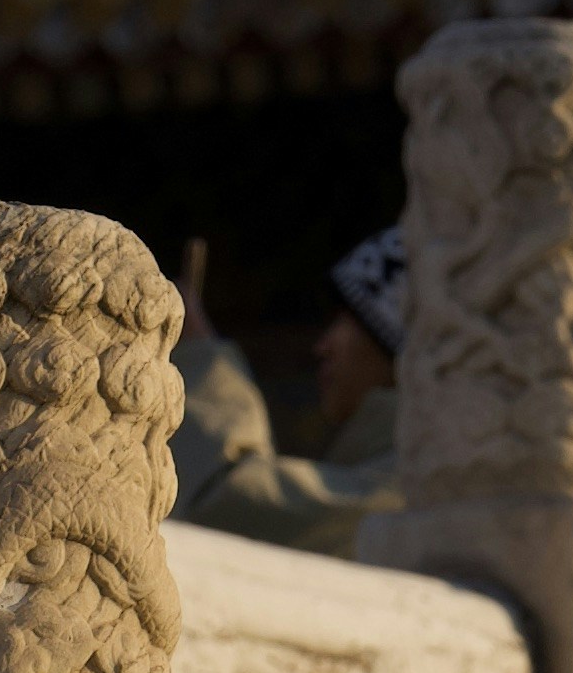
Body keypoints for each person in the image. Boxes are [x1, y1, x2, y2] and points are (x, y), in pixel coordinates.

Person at [176, 226, 413, 540]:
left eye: (344, 320)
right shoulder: (391, 472)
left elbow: (224, 504)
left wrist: (199, 354)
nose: (321, 347)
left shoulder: (405, 490)